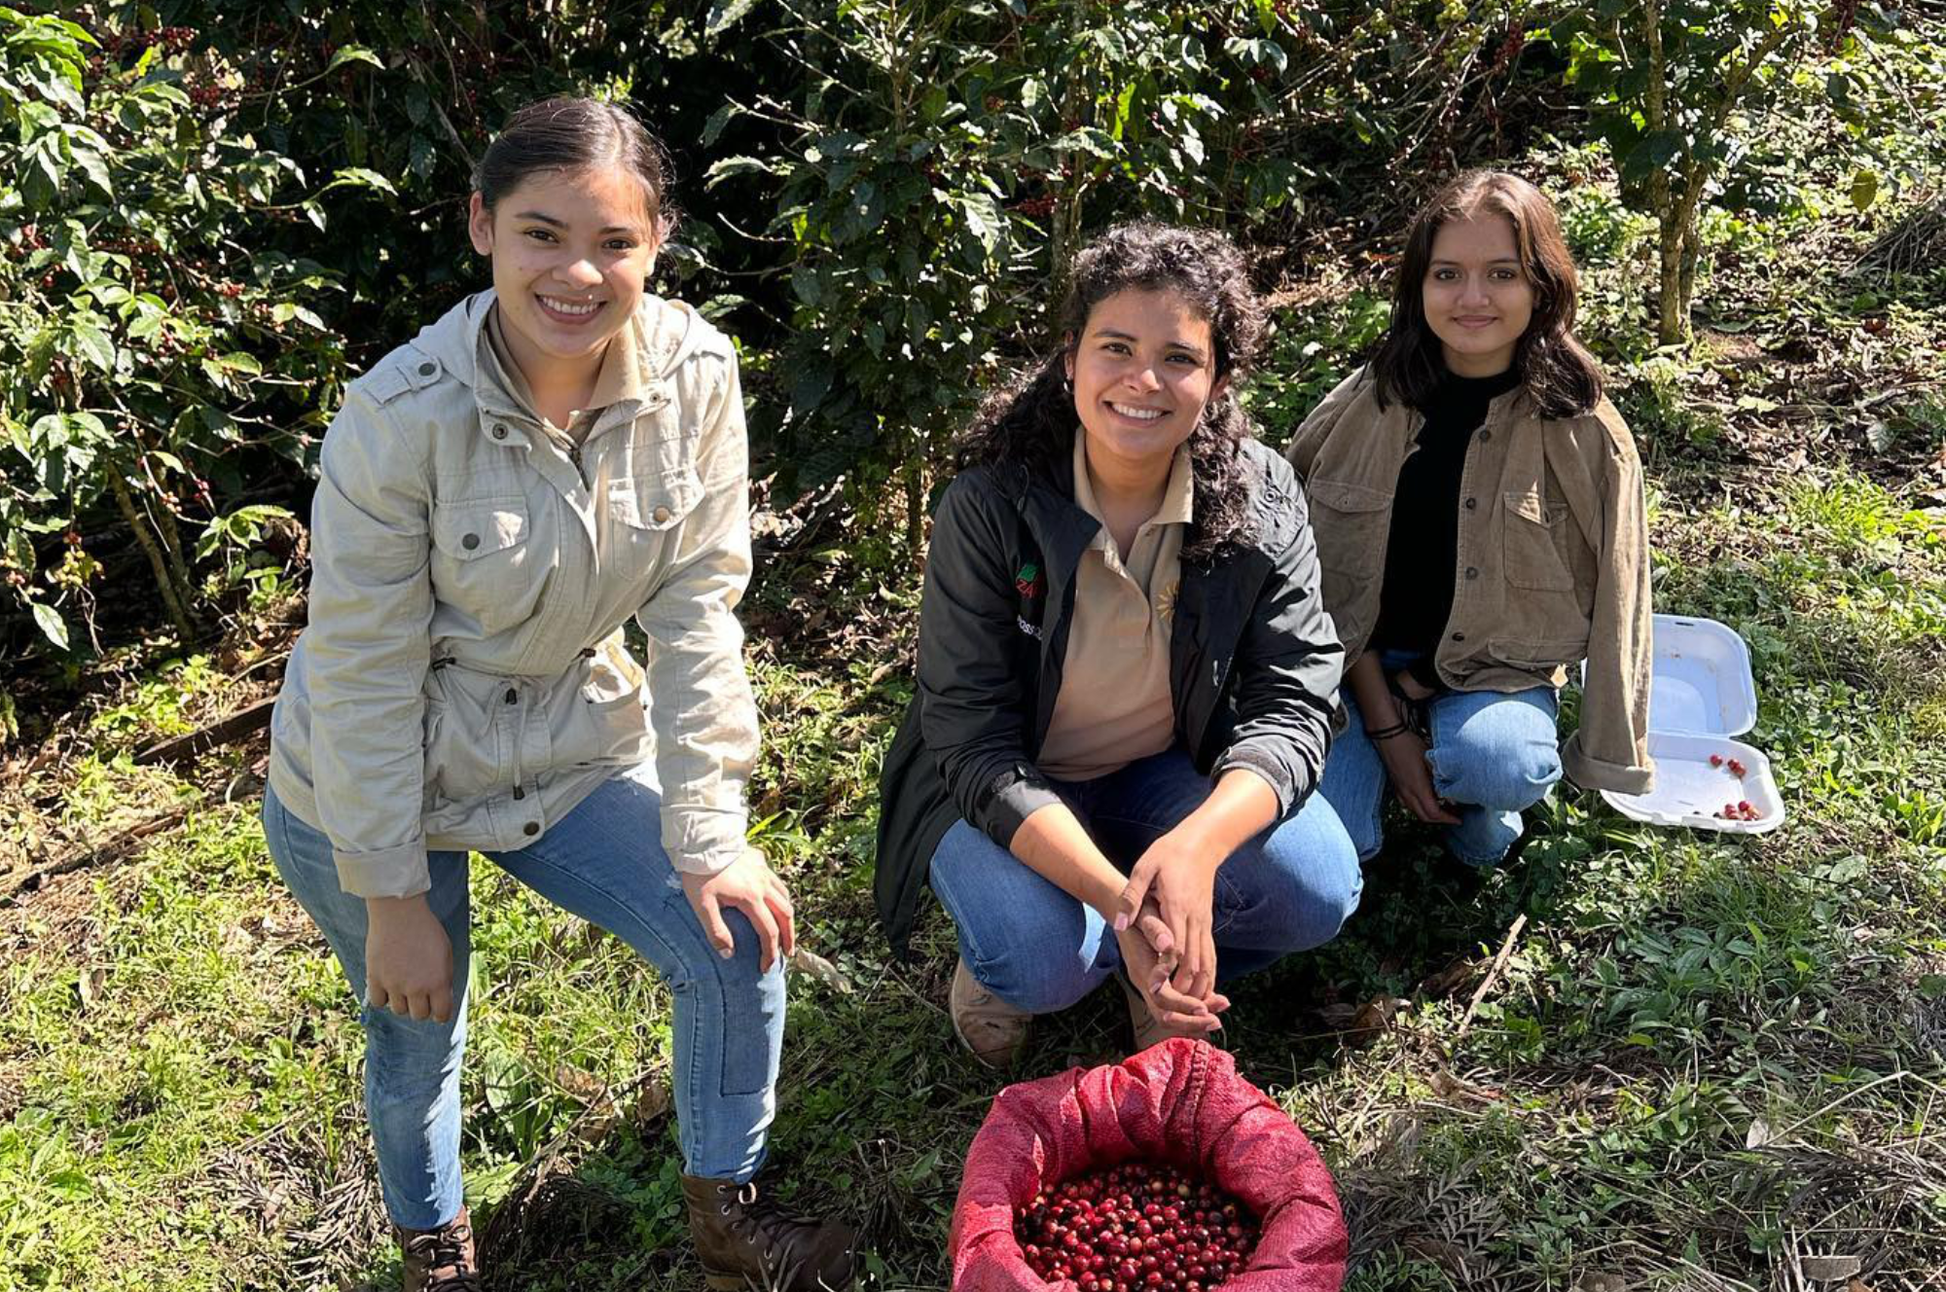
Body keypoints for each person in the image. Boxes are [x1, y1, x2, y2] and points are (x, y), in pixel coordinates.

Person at [260, 97, 854, 1292]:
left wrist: (705, 836)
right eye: (540, 233)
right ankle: (439, 1252)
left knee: (732, 943)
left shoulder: (695, 374)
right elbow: (366, 673)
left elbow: (696, 611)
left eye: (614, 243)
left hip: (567, 731)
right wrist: (391, 891)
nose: (577, 274)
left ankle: (726, 1218)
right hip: (379, 774)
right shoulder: (398, 417)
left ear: (658, 244)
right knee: (417, 1016)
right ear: (480, 225)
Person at [874, 222, 1362, 1070]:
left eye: (1179, 357)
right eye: (1116, 347)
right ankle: (1074, 949)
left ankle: (1154, 956)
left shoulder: (1260, 494)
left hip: (1161, 769)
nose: (1144, 380)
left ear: (1216, 379)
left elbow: (1296, 694)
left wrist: (1198, 845)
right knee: (1037, 957)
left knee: (1317, 886)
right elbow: (972, 737)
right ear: (1070, 360)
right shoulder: (990, 507)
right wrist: (1118, 900)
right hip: (1009, 781)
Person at [1284, 169, 1654, 871]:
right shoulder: (1364, 405)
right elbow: (1303, 572)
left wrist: (1610, 751)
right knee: (1335, 850)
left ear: (1542, 284)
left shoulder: (1585, 431)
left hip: (1494, 673)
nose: (1473, 298)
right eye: (1448, 273)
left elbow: (1622, 598)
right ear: (1418, 286)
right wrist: (1390, 729)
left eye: (1502, 273)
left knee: (1497, 770)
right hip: (1355, 676)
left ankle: (1471, 790)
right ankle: (1395, 763)